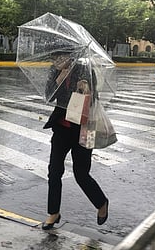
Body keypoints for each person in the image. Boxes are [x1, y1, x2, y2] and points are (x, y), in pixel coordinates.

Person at [42, 50, 109, 230]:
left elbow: (95, 97)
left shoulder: (84, 69)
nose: (56, 61)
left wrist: (86, 89)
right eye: (54, 58)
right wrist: (58, 80)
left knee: (81, 174)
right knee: (54, 171)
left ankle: (101, 203)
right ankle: (53, 213)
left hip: (85, 128)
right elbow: (48, 96)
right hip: (61, 129)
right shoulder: (55, 71)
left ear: (69, 57)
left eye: (59, 58)